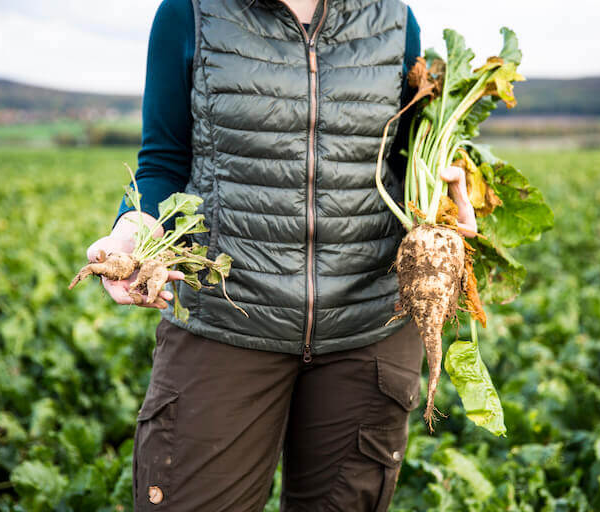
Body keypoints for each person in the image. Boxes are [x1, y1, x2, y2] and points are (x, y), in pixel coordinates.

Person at [85, 0, 476, 510]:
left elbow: (401, 158)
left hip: (367, 330)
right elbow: (163, 158)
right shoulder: (190, 11)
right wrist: (131, 231)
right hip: (225, 320)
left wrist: (447, 204)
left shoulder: (394, 20)